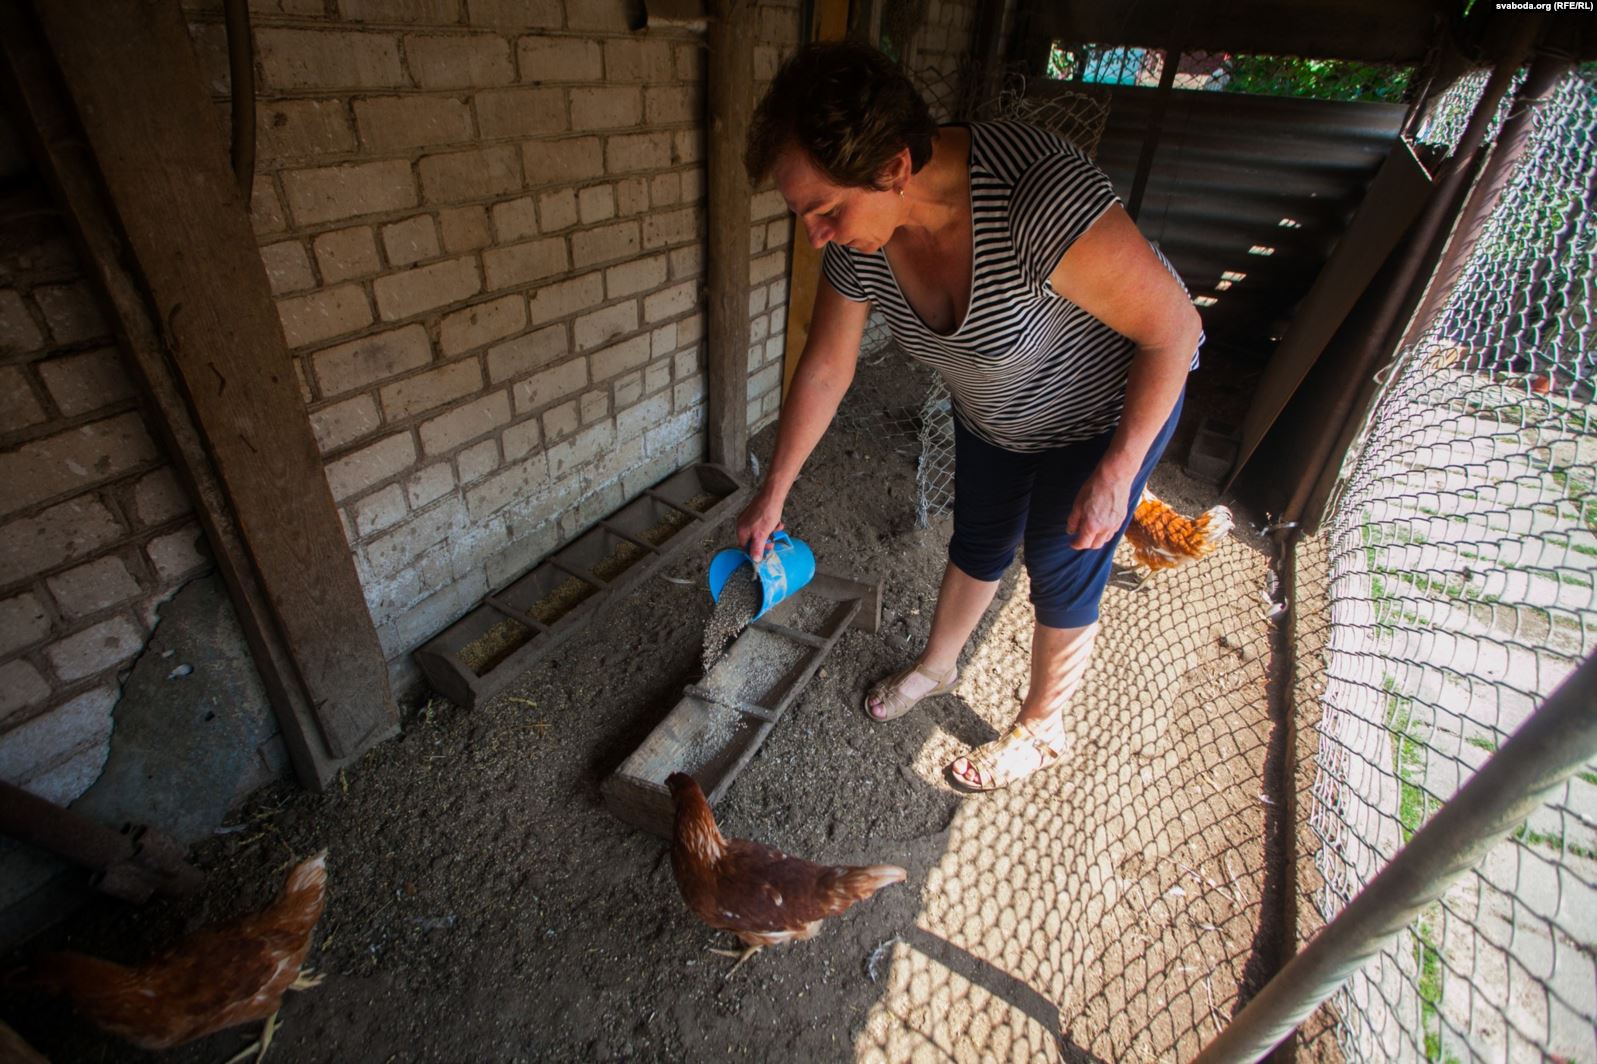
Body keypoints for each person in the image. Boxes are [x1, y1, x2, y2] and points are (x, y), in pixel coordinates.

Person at [735, 41, 1202, 792]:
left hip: (1103, 412)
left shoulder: (1034, 199)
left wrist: (1118, 471)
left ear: (892, 167)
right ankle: (938, 665)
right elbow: (827, 365)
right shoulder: (863, 240)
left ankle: (1043, 726)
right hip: (996, 410)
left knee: (1059, 558)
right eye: (803, 214)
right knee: (979, 535)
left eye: (823, 210)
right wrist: (774, 492)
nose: (814, 234)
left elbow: (1174, 329)